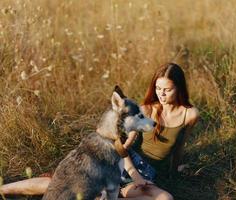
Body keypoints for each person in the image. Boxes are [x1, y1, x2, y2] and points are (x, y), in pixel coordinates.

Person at [0, 63, 199, 200]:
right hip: (125, 166)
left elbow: (179, 146)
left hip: (149, 172)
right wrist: (134, 174)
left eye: (168, 89)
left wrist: (175, 170)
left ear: (179, 89)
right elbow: (121, 146)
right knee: (59, 184)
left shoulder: (189, 115)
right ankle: (3, 188)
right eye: (158, 88)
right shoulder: (145, 110)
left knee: (165, 198)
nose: (161, 95)